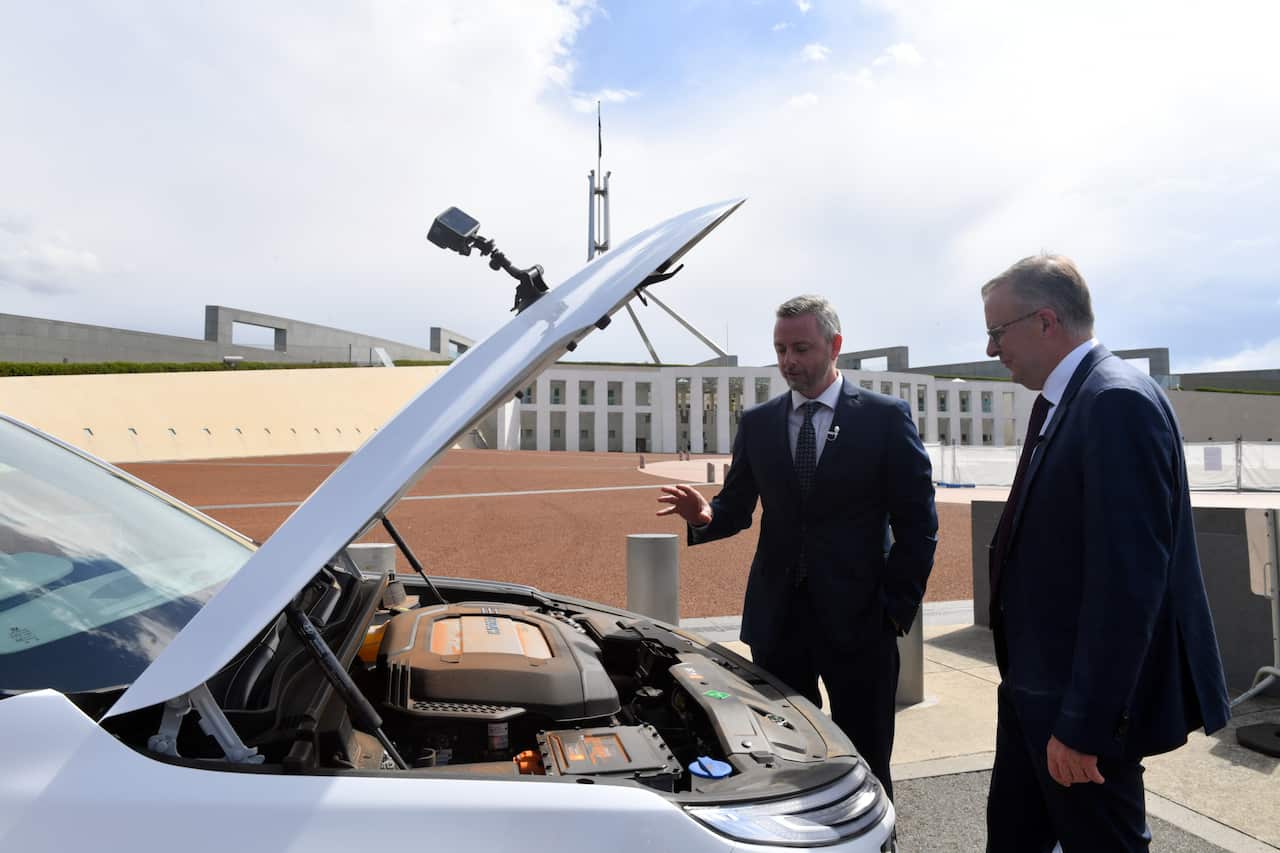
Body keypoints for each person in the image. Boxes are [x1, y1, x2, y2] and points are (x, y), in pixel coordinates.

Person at [980, 255, 1230, 851]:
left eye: (996, 332)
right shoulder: (1077, 400)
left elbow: (1128, 584)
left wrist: (1086, 727)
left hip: (1074, 714)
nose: (991, 350)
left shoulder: (1114, 401)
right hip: (1033, 694)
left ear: (1045, 321)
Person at [657, 295, 937, 799]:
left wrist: (895, 612)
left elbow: (919, 526)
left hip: (861, 625)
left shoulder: (884, 418)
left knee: (866, 762)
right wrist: (705, 517)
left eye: (801, 348)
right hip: (778, 623)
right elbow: (736, 508)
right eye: (781, 349)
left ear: (835, 345)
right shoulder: (759, 423)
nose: (789, 361)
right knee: (785, 763)